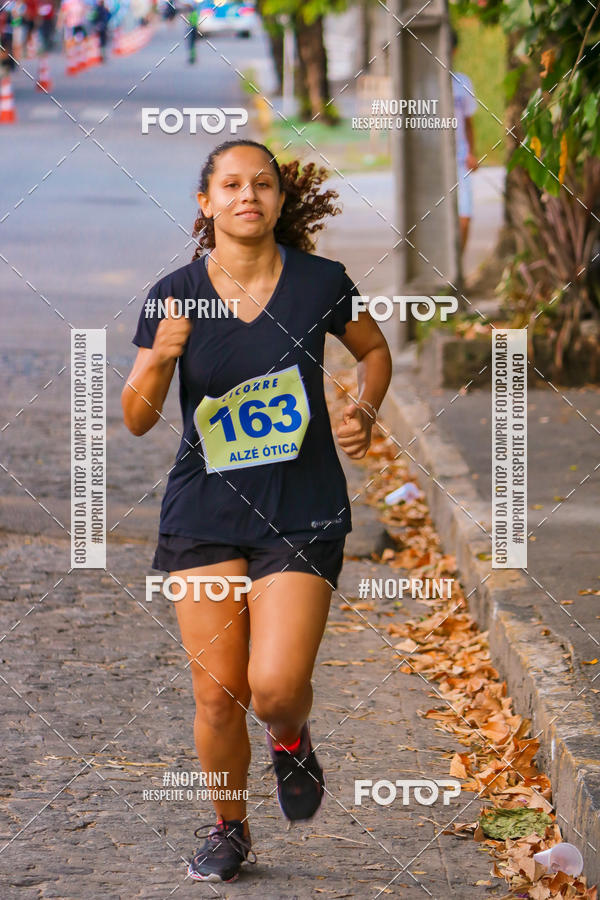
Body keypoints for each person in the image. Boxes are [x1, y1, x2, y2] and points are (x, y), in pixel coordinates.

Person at [121, 139, 392, 883]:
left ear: (280, 199)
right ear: (206, 203)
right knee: (217, 695)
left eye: (263, 184)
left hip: (301, 508)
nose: (248, 196)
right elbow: (137, 418)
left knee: (272, 689)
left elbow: (373, 352)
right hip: (204, 511)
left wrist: (364, 410)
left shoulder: (321, 282)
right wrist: (158, 356)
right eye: (232, 185)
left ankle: (289, 734)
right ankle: (229, 829)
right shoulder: (174, 295)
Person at [450, 27, 479, 255]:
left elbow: (469, 122)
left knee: (465, 215)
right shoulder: (425, 83)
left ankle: (456, 264)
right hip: (434, 162)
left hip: (460, 158)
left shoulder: (462, 83)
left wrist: (472, 152)